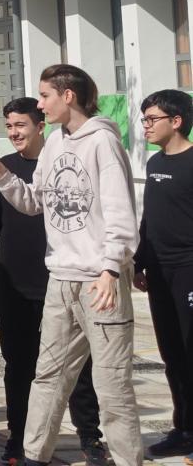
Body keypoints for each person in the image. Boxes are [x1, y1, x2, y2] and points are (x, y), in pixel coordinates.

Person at [0, 66, 141, 466]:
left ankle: (127, 459)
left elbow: (121, 212)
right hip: (60, 281)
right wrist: (0, 171)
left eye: (45, 96)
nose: (40, 104)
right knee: (48, 377)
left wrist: (112, 268)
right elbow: (32, 202)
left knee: (112, 384)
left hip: (100, 282)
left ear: (68, 96)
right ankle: (34, 456)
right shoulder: (54, 145)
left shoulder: (102, 142)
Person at [136, 89, 193, 459]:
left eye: (151, 119)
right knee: (172, 355)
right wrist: (140, 260)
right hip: (159, 270)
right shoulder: (154, 163)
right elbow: (150, 218)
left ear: (176, 121)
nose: (145, 126)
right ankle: (183, 428)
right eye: (144, 120)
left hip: (189, 270)